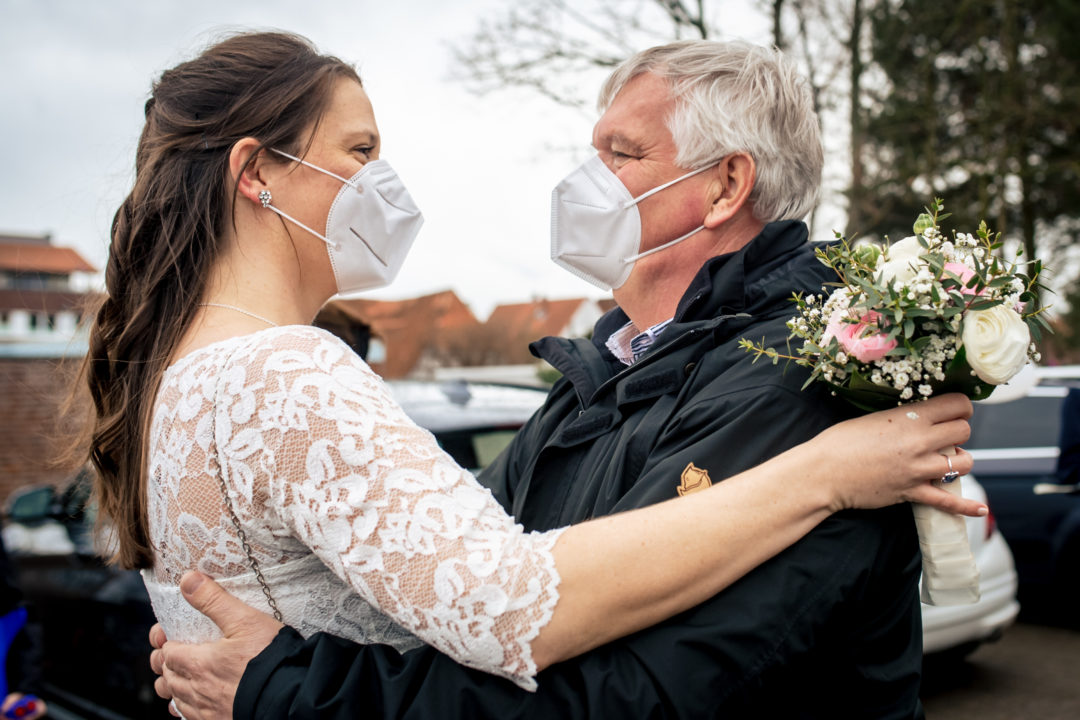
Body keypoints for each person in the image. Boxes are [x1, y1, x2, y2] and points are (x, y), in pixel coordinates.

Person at [136, 35, 981, 719]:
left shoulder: (805, 385)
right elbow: (477, 595)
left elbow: (623, 693)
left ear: (726, 184)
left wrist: (285, 691)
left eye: (623, 153)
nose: (585, 183)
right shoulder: (596, 373)